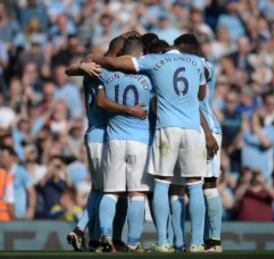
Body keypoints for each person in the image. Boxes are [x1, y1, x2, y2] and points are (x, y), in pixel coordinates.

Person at [91, 33, 208, 253]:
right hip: (192, 129)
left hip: (164, 129)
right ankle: (197, 243)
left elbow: (114, 63)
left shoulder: (153, 63)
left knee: (158, 185)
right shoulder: (198, 62)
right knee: (194, 186)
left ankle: (162, 241)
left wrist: (96, 58)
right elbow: (202, 94)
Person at [65, 32, 147, 252]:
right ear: (120, 53)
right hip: (105, 136)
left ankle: (98, 238)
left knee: (105, 190)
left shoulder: (94, 66)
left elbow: (70, 70)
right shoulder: (105, 68)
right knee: (105, 191)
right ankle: (85, 231)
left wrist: (81, 67)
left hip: (95, 133)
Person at [97, 36, 154, 253]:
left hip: (114, 139)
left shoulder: (107, 73)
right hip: (141, 141)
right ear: (140, 55)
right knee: (137, 194)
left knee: (110, 192)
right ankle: (132, 242)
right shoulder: (149, 76)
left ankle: (106, 236)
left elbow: (99, 101)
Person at [173, 34, 222, 252]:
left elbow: (198, 92)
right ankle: (187, 241)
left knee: (208, 186)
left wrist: (208, 133)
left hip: (207, 128)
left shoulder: (204, 65)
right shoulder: (184, 66)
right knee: (185, 187)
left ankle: (213, 241)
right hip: (190, 129)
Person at [0, 147, 36, 220]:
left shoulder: (21, 172)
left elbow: (32, 192)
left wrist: (31, 209)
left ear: (11, 157)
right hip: (6, 216)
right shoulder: (2, 174)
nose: (1, 159)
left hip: (20, 216)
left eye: (3, 157)